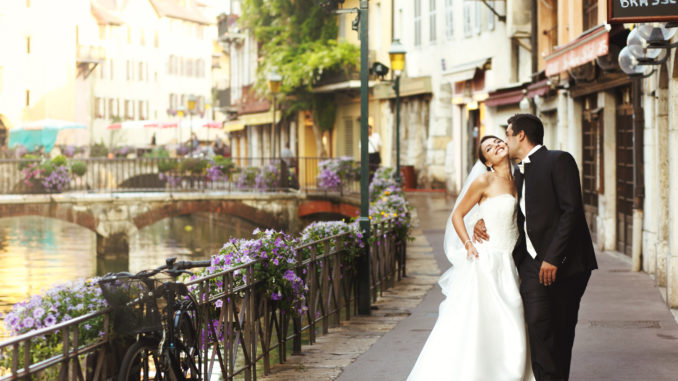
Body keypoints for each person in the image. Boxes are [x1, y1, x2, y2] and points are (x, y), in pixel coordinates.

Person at [473, 113, 598, 380]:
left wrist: (553, 258)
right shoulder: (516, 175)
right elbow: (512, 212)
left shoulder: (559, 160)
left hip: (566, 265)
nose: (504, 140)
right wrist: (482, 221)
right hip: (530, 265)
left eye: (507, 134)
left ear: (520, 135)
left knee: (562, 332)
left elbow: (571, 211)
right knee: (538, 328)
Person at [408, 135, 534, 381]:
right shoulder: (484, 180)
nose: (497, 146)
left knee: (511, 320)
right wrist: (468, 243)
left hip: (512, 260)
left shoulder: (519, 177)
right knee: (487, 321)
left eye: (498, 141)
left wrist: (480, 218)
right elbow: (457, 214)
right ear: (486, 161)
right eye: (489, 148)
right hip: (488, 261)